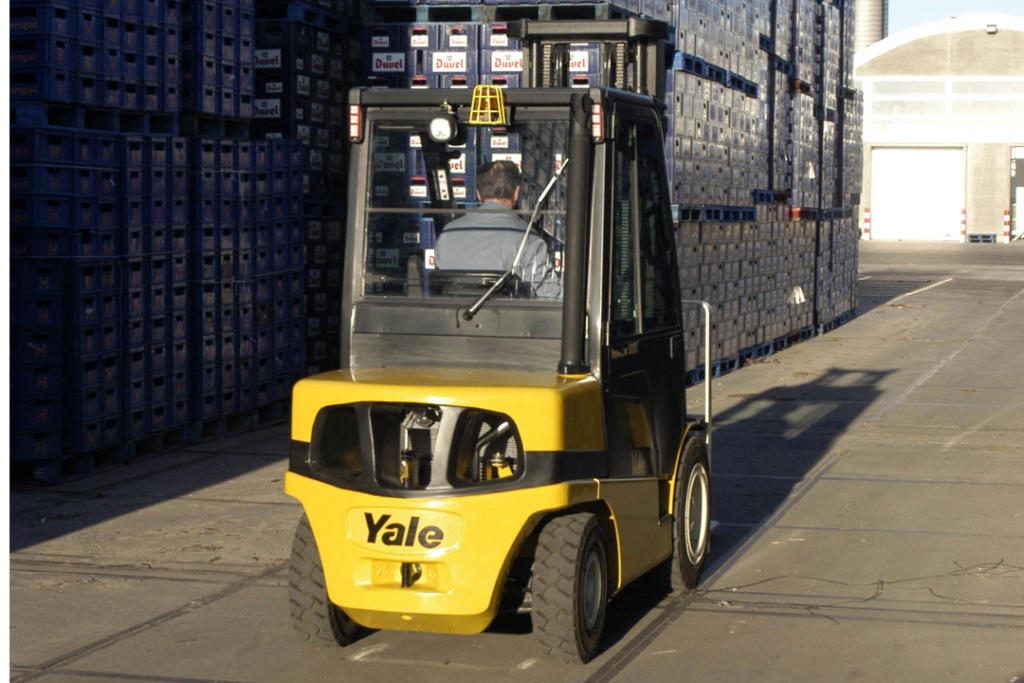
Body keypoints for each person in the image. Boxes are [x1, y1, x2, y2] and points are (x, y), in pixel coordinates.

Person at [434, 160, 561, 299]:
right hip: (508, 320)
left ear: (478, 194)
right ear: (517, 192)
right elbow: (551, 297)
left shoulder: (448, 233)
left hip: (454, 318)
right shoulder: (528, 239)